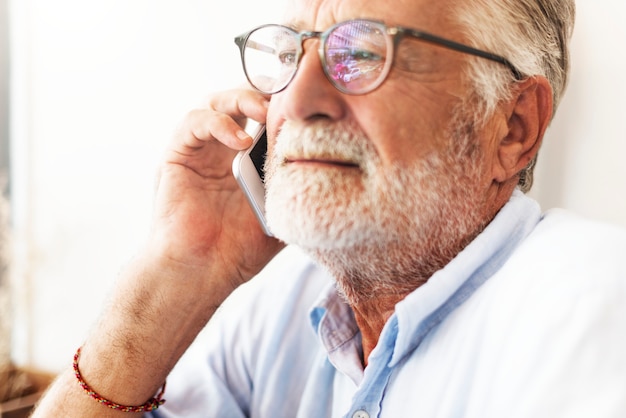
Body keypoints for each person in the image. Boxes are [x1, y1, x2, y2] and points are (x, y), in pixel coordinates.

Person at [32, 0, 626, 416]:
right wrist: (179, 267)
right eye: (289, 52)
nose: (298, 98)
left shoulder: (589, 307)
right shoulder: (279, 305)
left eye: (364, 54)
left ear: (513, 127)